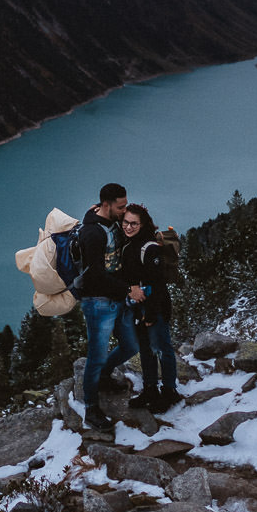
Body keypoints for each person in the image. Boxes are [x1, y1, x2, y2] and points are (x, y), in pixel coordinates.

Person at [78, 182, 139, 432]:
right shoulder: (92, 234)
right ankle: (91, 409)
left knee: (130, 345)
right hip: (98, 301)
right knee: (96, 355)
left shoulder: (111, 220)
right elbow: (93, 277)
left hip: (116, 296)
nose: (124, 211)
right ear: (106, 205)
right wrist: (127, 290)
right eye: (120, 206)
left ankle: (103, 377)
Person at [120, 203, 181, 413]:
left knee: (162, 350)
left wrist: (152, 314)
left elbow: (158, 283)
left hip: (155, 308)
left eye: (133, 223)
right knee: (146, 350)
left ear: (142, 224)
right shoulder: (129, 246)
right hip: (138, 308)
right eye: (125, 222)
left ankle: (170, 391)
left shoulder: (150, 248)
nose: (128, 227)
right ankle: (150, 389)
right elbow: (129, 276)